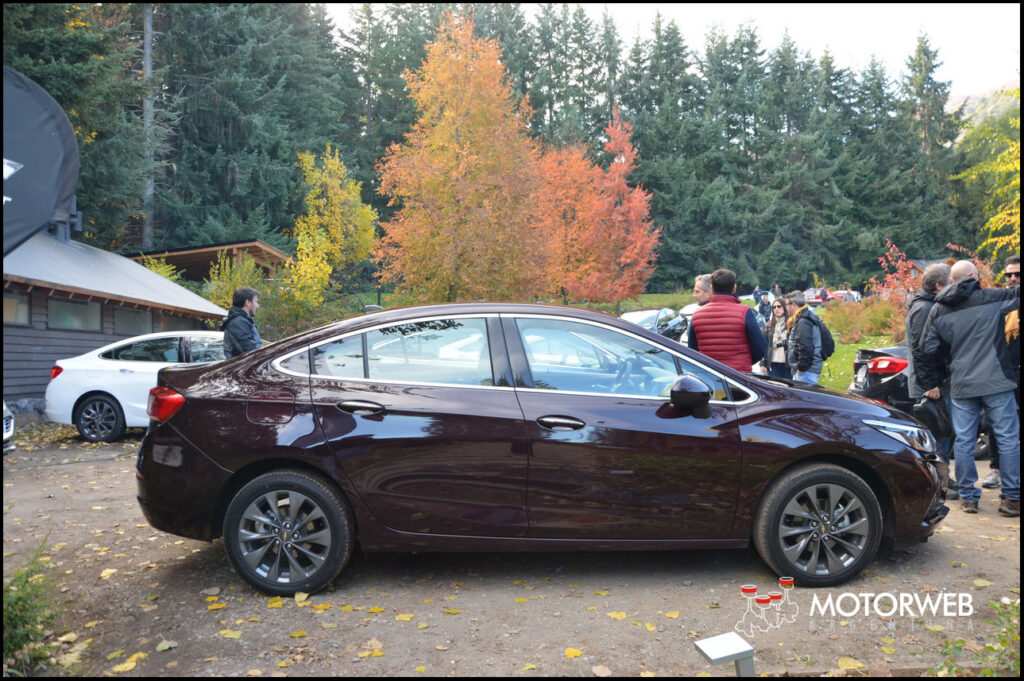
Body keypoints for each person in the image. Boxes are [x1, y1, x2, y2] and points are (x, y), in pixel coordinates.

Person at [921, 260, 1019, 516]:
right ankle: (1012, 498)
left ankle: (968, 498)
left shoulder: (938, 309)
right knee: (1008, 440)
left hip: (962, 384)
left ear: (952, 281)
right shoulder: (990, 297)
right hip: (997, 381)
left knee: (964, 441)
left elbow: (927, 348)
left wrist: (947, 362)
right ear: (974, 276)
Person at [907, 263, 957, 498]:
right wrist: (931, 385)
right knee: (935, 436)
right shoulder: (925, 308)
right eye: (951, 283)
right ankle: (938, 484)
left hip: (933, 382)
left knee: (939, 434)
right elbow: (921, 350)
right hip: (929, 386)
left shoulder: (928, 304)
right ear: (939, 285)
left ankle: (943, 479)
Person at [983, 255, 1023, 490]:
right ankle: (995, 470)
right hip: (1001, 374)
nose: (1012, 278)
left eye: (1017, 274)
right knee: (995, 423)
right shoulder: (999, 303)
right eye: (1009, 274)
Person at [688, 269, 768, 373]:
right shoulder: (745, 312)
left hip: (708, 376)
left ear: (711, 288)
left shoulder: (697, 315)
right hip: (738, 376)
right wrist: (744, 361)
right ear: (734, 288)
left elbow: (692, 350)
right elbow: (761, 348)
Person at [783, 291, 823, 384]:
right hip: (806, 371)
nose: (786, 308)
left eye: (786, 305)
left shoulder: (803, 321)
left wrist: (801, 369)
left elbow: (806, 347)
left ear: (793, 304)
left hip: (806, 372)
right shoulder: (800, 318)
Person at [222, 286, 262, 359]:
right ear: (247, 302)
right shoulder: (238, 323)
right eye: (256, 302)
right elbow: (252, 353)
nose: (257, 305)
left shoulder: (241, 321)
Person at [762, 297, 792, 379]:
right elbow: (764, 345)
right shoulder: (768, 325)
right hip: (772, 364)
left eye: (779, 306)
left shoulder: (791, 323)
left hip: (787, 364)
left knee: (788, 390)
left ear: (784, 307)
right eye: (774, 307)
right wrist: (762, 364)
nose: (776, 309)